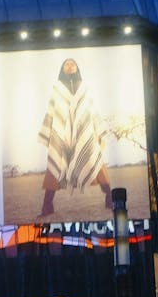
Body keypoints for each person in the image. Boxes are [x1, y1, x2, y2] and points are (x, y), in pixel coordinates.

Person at [37, 58, 111, 218]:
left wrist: (98, 129)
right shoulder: (56, 88)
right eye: (66, 64)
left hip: (84, 133)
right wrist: (50, 133)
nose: (69, 66)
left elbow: (91, 108)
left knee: (95, 162)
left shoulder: (84, 87)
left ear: (77, 68)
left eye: (72, 64)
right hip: (61, 133)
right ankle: (47, 206)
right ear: (62, 68)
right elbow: (51, 111)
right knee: (55, 166)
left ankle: (109, 198)